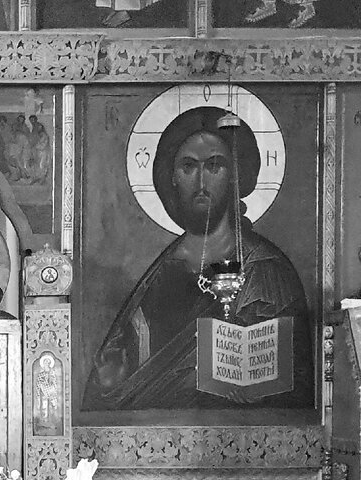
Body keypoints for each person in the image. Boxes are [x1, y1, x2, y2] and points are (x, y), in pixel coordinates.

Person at [84, 106, 311, 413]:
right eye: (188, 167)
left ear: (234, 177)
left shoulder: (267, 269)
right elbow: (123, 373)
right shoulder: (162, 269)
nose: (201, 181)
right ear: (172, 177)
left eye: (214, 166)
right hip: (156, 430)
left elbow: (297, 375)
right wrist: (113, 381)